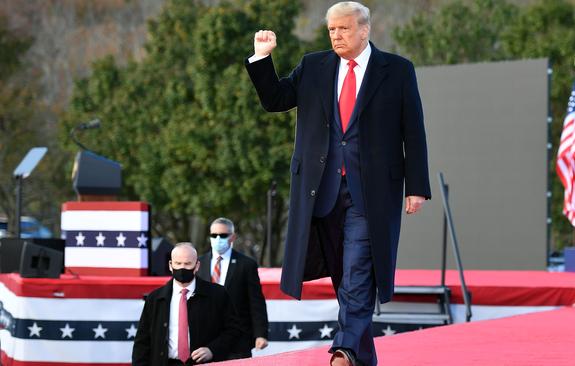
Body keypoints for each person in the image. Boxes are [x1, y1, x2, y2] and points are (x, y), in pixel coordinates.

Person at [245, 2, 431, 365]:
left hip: (373, 193)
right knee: (345, 277)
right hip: (322, 191)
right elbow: (276, 100)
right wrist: (261, 58)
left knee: (360, 269)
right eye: (331, 29)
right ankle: (362, 356)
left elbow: (414, 129)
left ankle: (343, 350)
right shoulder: (314, 65)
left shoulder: (397, 70)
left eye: (344, 29)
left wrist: (417, 186)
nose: (336, 35)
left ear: (365, 30)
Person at [132, 242, 241, 365]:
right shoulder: (155, 298)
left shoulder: (217, 294)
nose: (182, 268)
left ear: (197, 265)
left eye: (188, 263)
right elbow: (142, 341)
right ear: (170, 265)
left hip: (205, 363)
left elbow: (234, 330)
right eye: (178, 263)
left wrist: (212, 349)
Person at [197, 217, 269, 359]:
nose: (218, 239)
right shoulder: (199, 263)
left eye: (223, 235)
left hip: (238, 340)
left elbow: (256, 302)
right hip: (205, 340)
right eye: (214, 235)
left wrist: (261, 334)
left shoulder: (246, 265)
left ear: (233, 237)